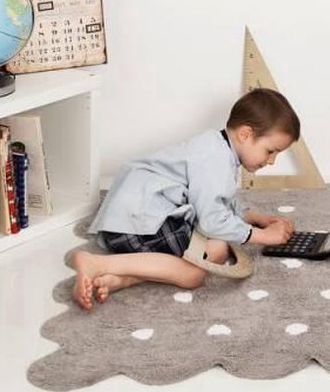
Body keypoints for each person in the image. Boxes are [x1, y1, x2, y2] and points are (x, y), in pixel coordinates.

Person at [70, 87, 299, 310]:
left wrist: (252, 217)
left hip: (136, 215)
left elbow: (216, 200)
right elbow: (211, 221)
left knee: (217, 249)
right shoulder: (215, 158)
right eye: (270, 151)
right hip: (138, 220)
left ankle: (123, 277)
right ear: (245, 134)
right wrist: (262, 235)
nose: (272, 161)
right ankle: (97, 263)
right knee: (194, 274)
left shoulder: (218, 147)